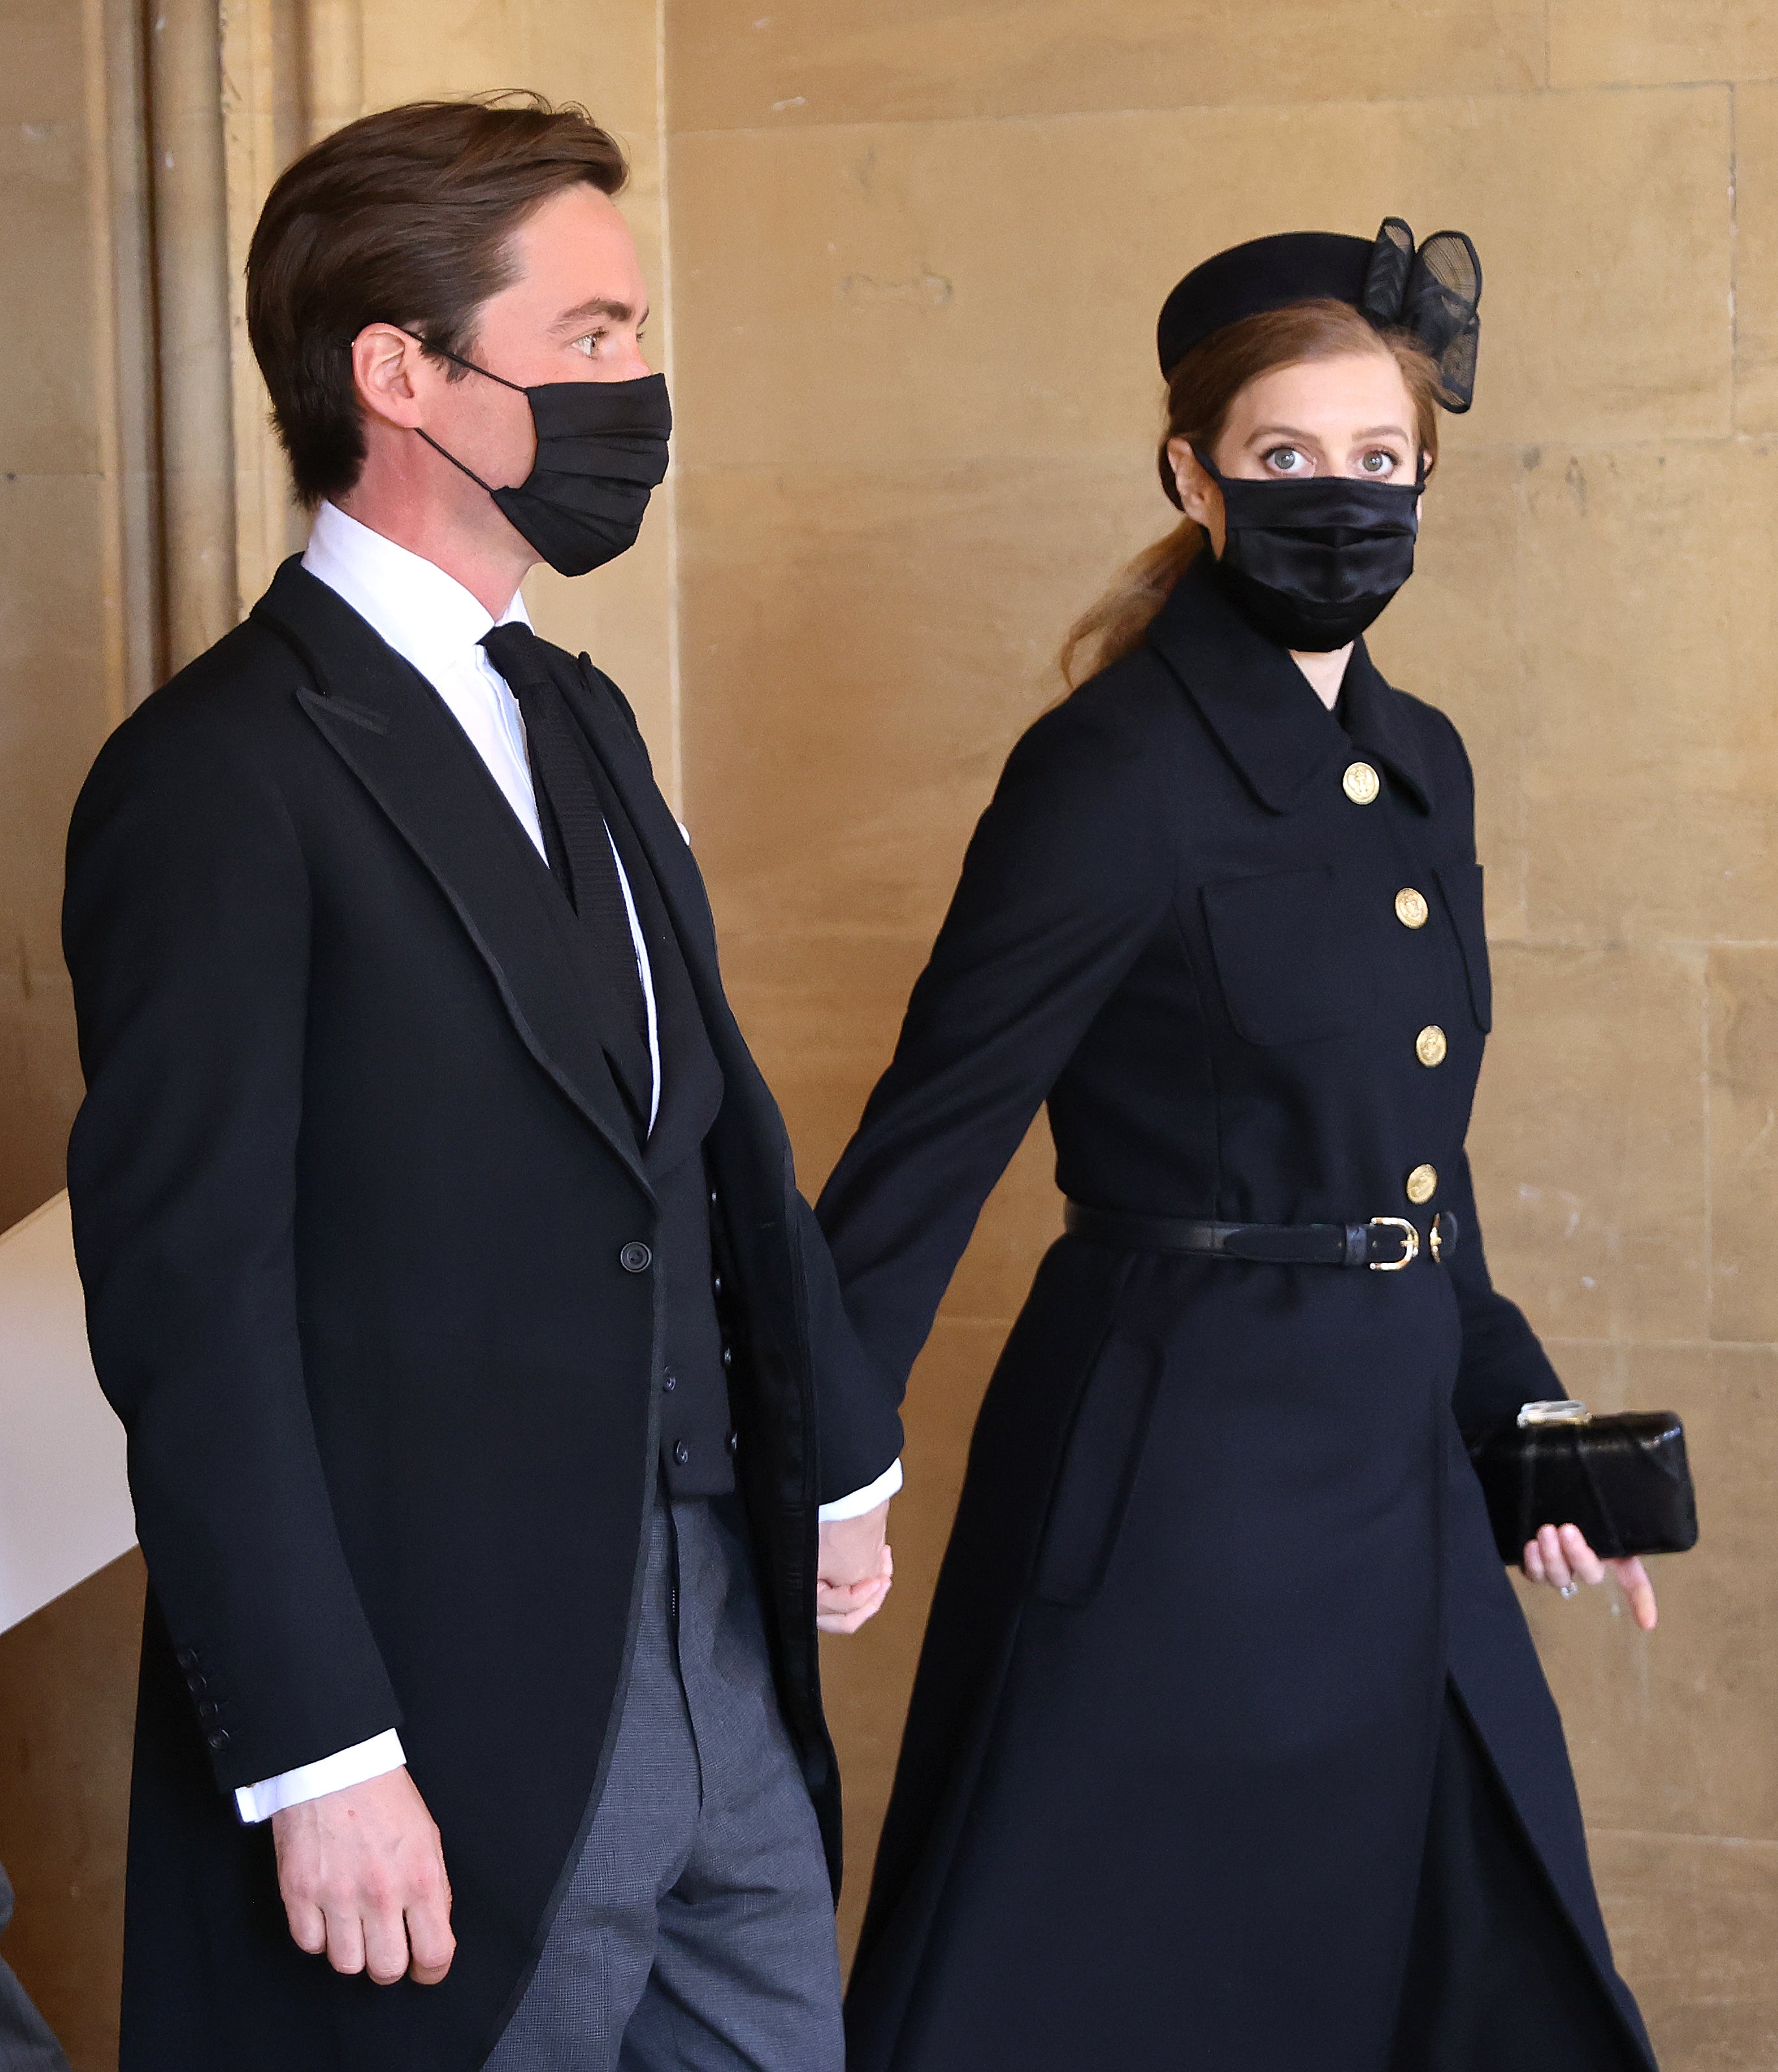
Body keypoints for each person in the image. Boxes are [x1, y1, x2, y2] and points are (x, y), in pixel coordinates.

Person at [62, 95, 902, 2072]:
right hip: (439, 1707)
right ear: (399, 374)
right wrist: (317, 1750)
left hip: (722, 1659)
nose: (642, 385)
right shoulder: (213, 777)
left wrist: (838, 1447)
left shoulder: (583, 712)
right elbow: (191, 1311)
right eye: (594, 335)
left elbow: (705, 1133)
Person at [816, 221, 1661, 2071]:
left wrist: (1518, 1421)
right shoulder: (1117, 769)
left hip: (1400, 1481)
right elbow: (933, 1131)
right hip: (1180, 1490)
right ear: (1193, 473)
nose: (1341, 502)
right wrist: (828, 1449)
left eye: (1382, 463)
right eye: (1288, 460)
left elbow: (1412, 1164)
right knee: (1131, 1990)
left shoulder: (1421, 756)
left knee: (1490, 1979)